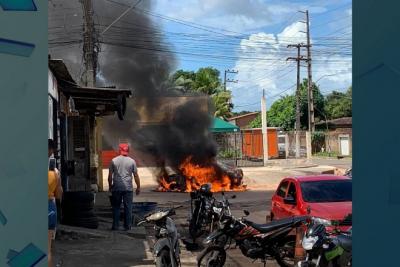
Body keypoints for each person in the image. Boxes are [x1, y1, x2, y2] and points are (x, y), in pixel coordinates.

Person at [108, 143, 140, 231]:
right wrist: (138, 187)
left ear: (119, 150)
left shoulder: (113, 160)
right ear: (128, 150)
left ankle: (115, 226)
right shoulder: (132, 161)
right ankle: (127, 226)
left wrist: (110, 186)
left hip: (116, 188)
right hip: (128, 188)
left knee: (116, 207)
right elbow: (136, 175)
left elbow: (110, 175)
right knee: (128, 207)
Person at [48, 139, 63, 267]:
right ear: (51, 150)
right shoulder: (55, 171)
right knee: (47, 248)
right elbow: (59, 194)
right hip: (49, 207)